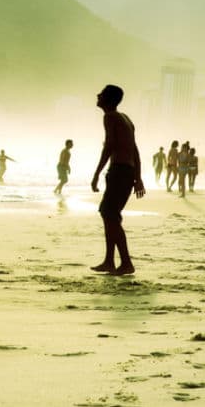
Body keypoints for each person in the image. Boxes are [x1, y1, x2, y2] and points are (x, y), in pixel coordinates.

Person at [89, 84, 144, 276]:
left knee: (109, 213)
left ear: (109, 99)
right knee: (111, 215)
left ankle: (126, 263)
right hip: (126, 171)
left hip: (120, 171)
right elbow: (134, 149)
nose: (98, 95)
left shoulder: (110, 116)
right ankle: (109, 261)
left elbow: (110, 146)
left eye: (101, 94)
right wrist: (138, 177)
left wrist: (96, 174)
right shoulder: (125, 119)